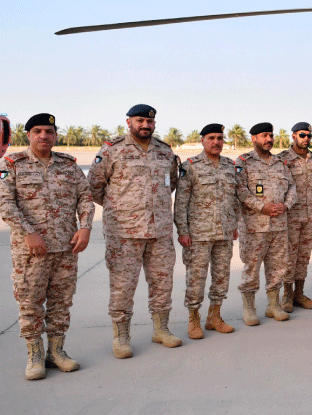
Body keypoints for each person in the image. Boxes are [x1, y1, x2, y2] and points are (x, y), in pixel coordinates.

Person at [0, 114, 94, 380]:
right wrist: (29, 233)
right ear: (28, 135)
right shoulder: (12, 163)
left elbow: (85, 197)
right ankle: (35, 356)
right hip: (31, 251)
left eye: (49, 131)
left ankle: (57, 352)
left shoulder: (68, 165)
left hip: (66, 248)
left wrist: (85, 227)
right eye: (38, 131)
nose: (44, 136)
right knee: (30, 304)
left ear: (55, 135)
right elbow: (5, 202)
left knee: (61, 303)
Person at [88, 104, 181, 358]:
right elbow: (95, 187)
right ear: (129, 121)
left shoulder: (164, 151)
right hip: (124, 234)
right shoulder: (112, 149)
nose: (145, 125)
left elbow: (171, 182)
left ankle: (161, 329)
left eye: (149, 122)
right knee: (122, 287)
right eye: (140, 121)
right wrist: (121, 209)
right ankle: (121, 336)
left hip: (159, 232)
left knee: (163, 284)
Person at [173, 123, 239, 339]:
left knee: (222, 277)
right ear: (202, 140)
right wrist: (183, 231)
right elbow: (181, 201)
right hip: (198, 234)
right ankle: (194, 319)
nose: (216, 142)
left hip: (224, 233)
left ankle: (214, 317)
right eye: (211, 138)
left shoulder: (230, 166)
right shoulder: (190, 166)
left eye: (220, 138)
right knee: (196, 280)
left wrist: (234, 224)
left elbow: (234, 199)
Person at [235, 122, 297, 325]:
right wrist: (261, 207)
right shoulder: (244, 162)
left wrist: (286, 206)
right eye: (264, 136)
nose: (269, 139)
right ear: (253, 138)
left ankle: (273, 305)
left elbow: (292, 188)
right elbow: (240, 191)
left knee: (278, 267)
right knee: (251, 268)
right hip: (255, 227)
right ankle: (249, 309)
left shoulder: (281, 163)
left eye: (270, 135)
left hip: (279, 225)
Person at [278, 122, 312, 311]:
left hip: (310, 216)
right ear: (294, 136)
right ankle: (287, 294)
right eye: (302, 135)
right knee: (289, 256)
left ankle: (299, 293)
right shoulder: (282, 160)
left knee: (304, 256)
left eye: (309, 136)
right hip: (290, 217)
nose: (306, 139)